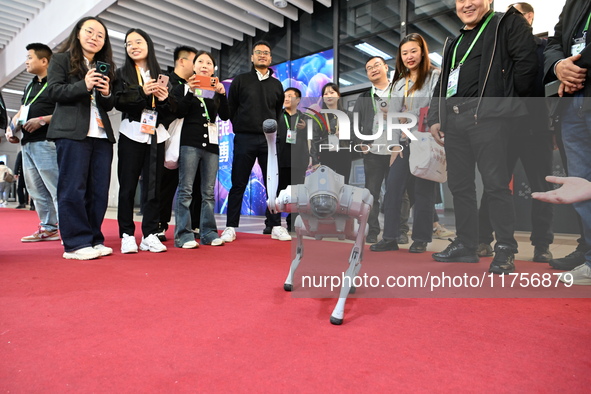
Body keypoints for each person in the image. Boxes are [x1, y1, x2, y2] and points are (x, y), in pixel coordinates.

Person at [428, 0, 538, 274]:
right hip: (454, 121)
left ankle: (504, 248)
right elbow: (443, 84)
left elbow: (527, 64)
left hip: (489, 118)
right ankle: (467, 244)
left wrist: (505, 106)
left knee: (495, 185)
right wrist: (434, 117)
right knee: (460, 187)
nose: (466, 4)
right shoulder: (453, 43)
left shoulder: (505, 22)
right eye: (460, 0)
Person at [476, 2, 555, 263]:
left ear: (529, 18)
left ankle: (542, 244)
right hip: (503, 127)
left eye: (517, 18)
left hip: (536, 127)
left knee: (541, 188)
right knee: (494, 184)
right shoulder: (498, 52)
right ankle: (483, 238)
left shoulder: (546, 49)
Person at [46, 16, 116, 260]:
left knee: (98, 190)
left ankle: (93, 238)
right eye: (90, 31)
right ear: (77, 33)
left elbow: (108, 104)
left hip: (101, 134)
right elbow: (54, 91)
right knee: (73, 188)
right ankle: (75, 243)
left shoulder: (105, 66)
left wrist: (107, 93)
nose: (94, 38)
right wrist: (84, 85)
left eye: (100, 35)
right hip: (72, 132)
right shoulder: (61, 59)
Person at [370, 33, 440, 254]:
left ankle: (420, 238)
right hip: (403, 142)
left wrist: (406, 114)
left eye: (414, 51)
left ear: (422, 52)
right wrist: (394, 146)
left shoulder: (434, 76)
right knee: (392, 189)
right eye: (405, 53)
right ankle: (389, 237)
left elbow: (434, 108)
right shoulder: (400, 83)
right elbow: (392, 116)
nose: (409, 56)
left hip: (425, 140)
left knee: (423, 192)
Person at [220, 40, 288, 243]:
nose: (262, 55)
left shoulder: (277, 85)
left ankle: (275, 225)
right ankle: (230, 227)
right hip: (244, 138)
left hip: (268, 140)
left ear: (270, 58)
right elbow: (231, 109)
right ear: (252, 57)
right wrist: (242, 126)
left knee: (272, 185)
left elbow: (277, 113)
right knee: (238, 183)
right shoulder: (241, 80)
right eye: (258, 52)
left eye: (266, 53)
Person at [114, 28, 174, 254]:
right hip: (131, 133)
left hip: (155, 135)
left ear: (148, 44)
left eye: (138, 42)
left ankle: (149, 233)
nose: (133, 46)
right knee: (127, 186)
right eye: (129, 44)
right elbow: (118, 102)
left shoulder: (162, 74)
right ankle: (127, 234)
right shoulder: (121, 74)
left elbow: (171, 111)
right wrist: (141, 91)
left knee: (153, 187)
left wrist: (165, 99)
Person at [543, 0, 591, 285]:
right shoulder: (574, 3)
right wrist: (560, 66)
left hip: (580, 82)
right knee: (581, 185)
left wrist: (577, 66)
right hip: (573, 103)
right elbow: (554, 42)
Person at [172, 50, 229, 248]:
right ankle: (183, 234)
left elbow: (226, 115)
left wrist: (223, 94)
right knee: (186, 190)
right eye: (200, 62)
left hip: (212, 146)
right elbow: (178, 110)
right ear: (194, 66)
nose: (205, 65)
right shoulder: (183, 88)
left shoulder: (214, 90)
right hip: (189, 143)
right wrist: (189, 90)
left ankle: (209, 233)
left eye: (209, 63)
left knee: (208, 193)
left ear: (213, 69)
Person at [12, 43, 60, 242]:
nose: (26, 61)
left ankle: (72, 230)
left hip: (46, 142)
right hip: (27, 144)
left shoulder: (57, 84)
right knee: (36, 190)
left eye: (29, 57)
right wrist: (11, 127)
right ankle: (48, 228)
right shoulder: (30, 85)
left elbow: (66, 113)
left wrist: (42, 120)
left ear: (44, 61)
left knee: (57, 188)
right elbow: (23, 109)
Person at [157, 45, 198, 242]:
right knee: (164, 184)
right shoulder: (166, 81)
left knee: (189, 185)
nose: (198, 65)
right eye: (195, 61)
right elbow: (168, 110)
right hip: (167, 139)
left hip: (191, 141)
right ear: (182, 61)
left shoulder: (198, 85)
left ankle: (192, 225)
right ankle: (159, 224)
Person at [353, 56, 394, 244]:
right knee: (371, 194)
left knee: (398, 193)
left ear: (386, 67)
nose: (373, 69)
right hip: (373, 153)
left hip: (396, 149)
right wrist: (361, 142)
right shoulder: (363, 97)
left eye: (377, 65)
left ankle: (397, 231)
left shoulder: (399, 90)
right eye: (369, 68)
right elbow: (355, 124)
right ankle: (372, 230)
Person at [278, 87, 309, 231]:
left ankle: (293, 224)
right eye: (284, 96)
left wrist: (305, 129)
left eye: (290, 96)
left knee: (296, 195)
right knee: (276, 192)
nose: (286, 98)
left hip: (298, 162)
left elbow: (312, 139)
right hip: (280, 160)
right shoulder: (277, 116)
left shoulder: (305, 119)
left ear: (298, 100)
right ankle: (272, 223)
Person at [310, 83, 353, 183]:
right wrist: (315, 161)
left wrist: (345, 134)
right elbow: (314, 139)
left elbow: (355, 133)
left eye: (332, 92)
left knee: (343, 184)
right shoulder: (318, 117)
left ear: (338, 95)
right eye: (325, 94)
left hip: (344, 152)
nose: (329, 96)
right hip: (325, 154)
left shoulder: (348, 115)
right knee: (327, 185)